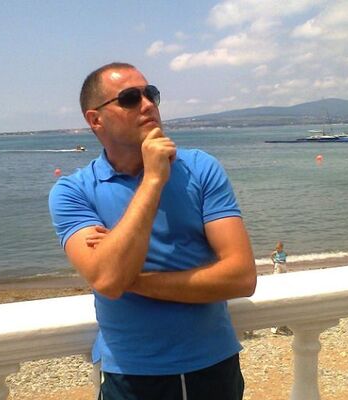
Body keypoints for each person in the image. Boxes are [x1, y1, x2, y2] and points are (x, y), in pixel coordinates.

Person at [49, 62, 257, 400]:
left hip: (214, 367)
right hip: (131, 375)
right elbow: (108, 279)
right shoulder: (73, 192)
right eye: (130, 98)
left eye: (151, 94)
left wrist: (130, 281)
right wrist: (153, 180)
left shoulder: (200, 168)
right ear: (95, 119)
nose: (147, 104)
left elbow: (241, 278)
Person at [270, 241, 290, 335]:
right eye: (276, 248)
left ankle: (281, 326)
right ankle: (278, 327)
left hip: (283, 264)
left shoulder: (284, 252)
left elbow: (286, 254)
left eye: (279, 248)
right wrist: (274, 261)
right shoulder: (275, 253)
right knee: (277, 275)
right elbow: (271, 255)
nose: (277, 249)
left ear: (282, 248)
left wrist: (284, 260)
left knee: (284, 274)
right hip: (277, 264)